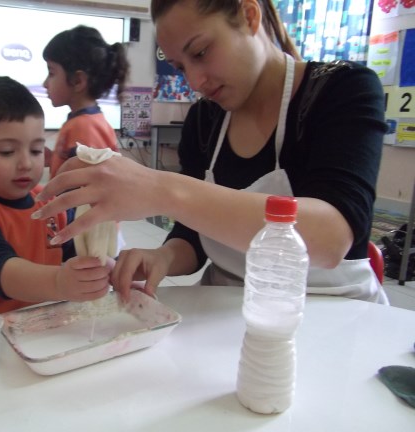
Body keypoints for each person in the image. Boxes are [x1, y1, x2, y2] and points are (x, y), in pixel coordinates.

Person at [33, 0, 388, 304]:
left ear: (249, 15)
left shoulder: (341, 89)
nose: (195, 82)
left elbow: (329, 239)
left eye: (201, 53)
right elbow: (194, 237)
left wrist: (163, 190)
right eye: (181, 67)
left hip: (333, 311)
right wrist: (164, 256)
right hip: (229, 306)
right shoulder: (204, 120)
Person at [0, 76, 111, 315]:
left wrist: (108, 270)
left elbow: (75, 256)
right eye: (7, 152)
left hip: (37, 326)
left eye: (36, 150)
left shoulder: (49, 204)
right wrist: (58, 283)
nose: (26, 163)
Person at [42, 25, 129, 179]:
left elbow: (86, 184)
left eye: (51, 73)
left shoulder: (84, 127)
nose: (45, 83)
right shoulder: (85, 121)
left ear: (78, 81)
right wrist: (53, 158)